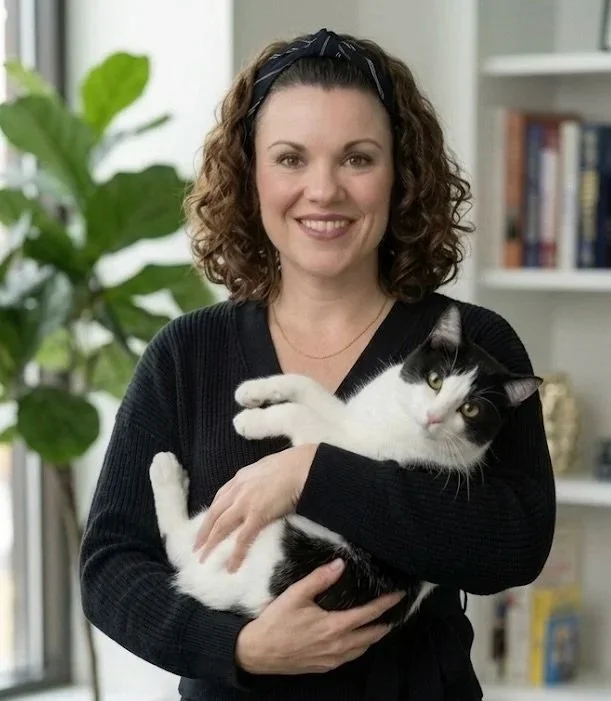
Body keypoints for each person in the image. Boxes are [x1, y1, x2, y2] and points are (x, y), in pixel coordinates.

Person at [79, 28, 556, 701]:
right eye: (290, 158)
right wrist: (238, 648)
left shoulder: (472, 346)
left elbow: (514, 544)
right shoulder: (186, 354)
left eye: (357, 158)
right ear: (250, 176)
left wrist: (313, 474)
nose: (323, 189)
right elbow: (109, 567)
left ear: (401, 174)